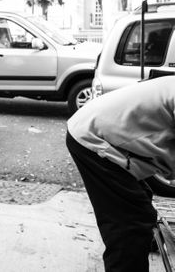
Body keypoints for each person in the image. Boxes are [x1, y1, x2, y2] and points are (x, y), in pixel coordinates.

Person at [66, 75, 175, 272]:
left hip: (107, 133)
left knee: (139, 205)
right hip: (95, 138)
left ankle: (141, 242)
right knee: (130, 224)